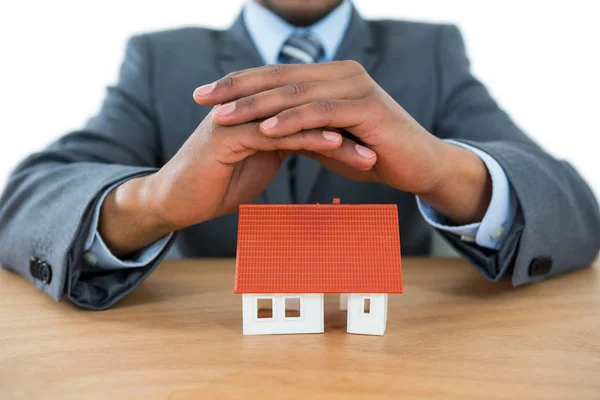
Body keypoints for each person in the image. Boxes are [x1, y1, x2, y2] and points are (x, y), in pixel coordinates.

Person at [0, 0, 598, 310]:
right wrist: (152, 200)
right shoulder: (160, 59)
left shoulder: (431, 50)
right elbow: (25, 204)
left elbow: (572, 210)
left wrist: (444, 169)